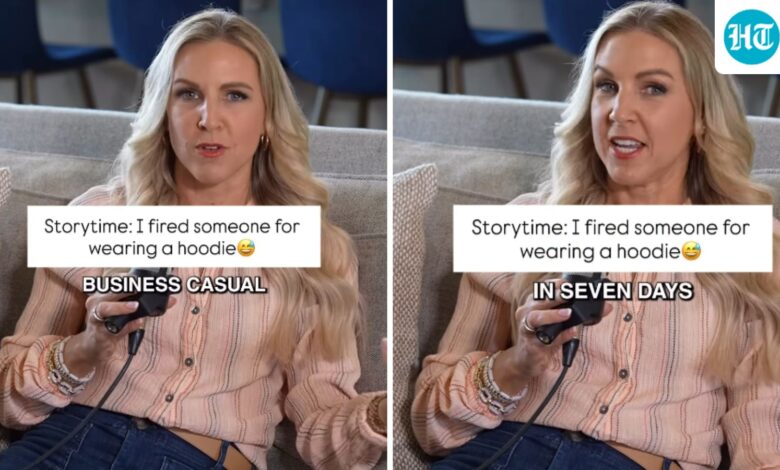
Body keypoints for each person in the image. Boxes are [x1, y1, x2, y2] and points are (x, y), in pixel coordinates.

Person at [0, 9, 386, 470]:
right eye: (188, 94)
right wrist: (83, 350)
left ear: (267, 118)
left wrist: (378, 416)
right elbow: (8, 397)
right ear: (164, 113)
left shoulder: (315, 250)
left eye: (235, 96)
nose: (209, 119)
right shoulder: (99, 215)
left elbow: (322, 429)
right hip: (70, 443)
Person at [411, 2, 780, 469]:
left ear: (702, 117)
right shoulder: (527, 223)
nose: (619, 112)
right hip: (501, 454)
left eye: (653, 88)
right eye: (607, 86)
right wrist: (517, 364)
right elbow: (430, 427)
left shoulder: (752, 247)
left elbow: (761, 436)